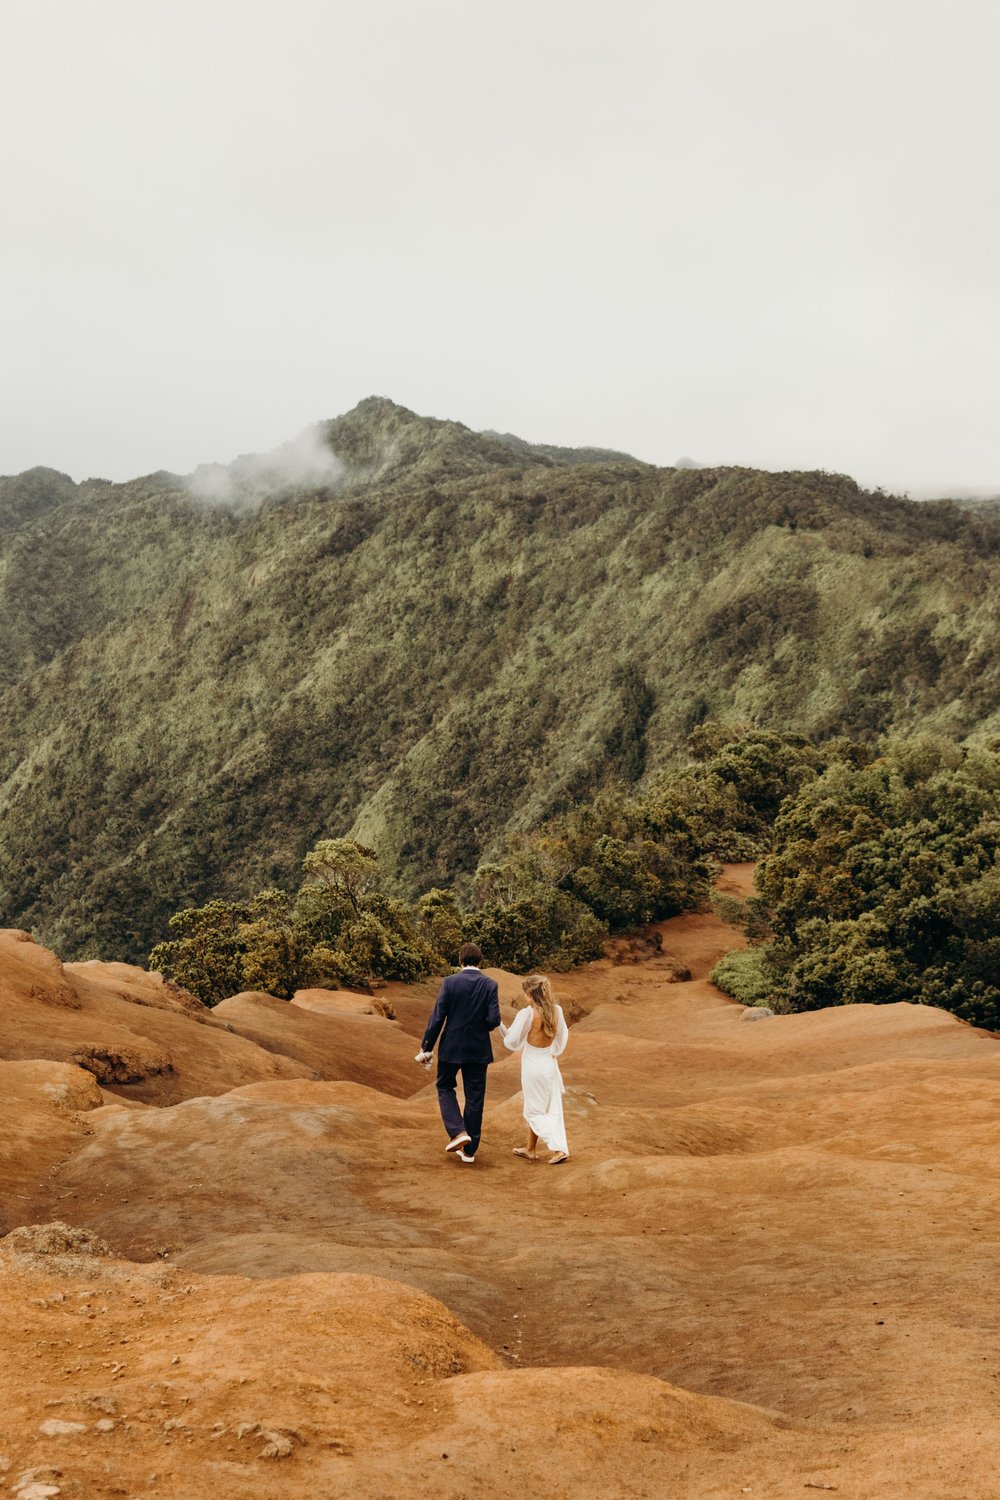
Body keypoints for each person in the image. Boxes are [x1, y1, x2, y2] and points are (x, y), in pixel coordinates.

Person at [416, 942, 501, 1165]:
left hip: (451, 1047)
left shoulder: (450, 983)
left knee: (445, 1086)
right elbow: (494, 1020)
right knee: (475, 1097)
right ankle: (469, 1151)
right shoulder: (490, 984)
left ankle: (458, 1131)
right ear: (480, 961)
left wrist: (426, 1047)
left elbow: (437, 1018)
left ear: (460, 960)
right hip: (478, 1049)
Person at [501, 974, 569, 1164]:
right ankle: (530, 1149)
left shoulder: (528, 1013)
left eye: (525, 993)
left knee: (533, 1112)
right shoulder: (557, 1011)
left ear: (531, 994)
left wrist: (500, 1026)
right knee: (550, 1109)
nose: (524, 997)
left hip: (532, 1065)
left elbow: (513, 1042)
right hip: (549, 1063)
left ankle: (558, 1148)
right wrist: (552, 1052)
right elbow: (562, 1040)